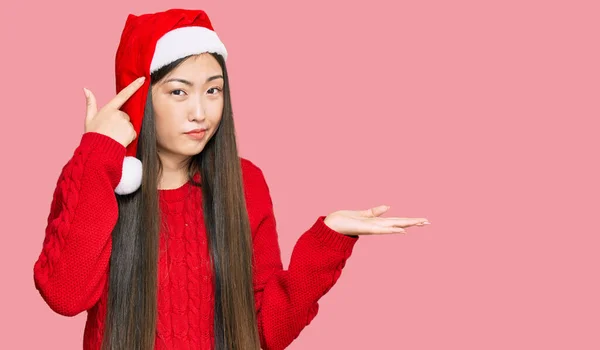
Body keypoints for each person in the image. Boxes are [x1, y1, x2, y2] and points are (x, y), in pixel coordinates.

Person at [33, 8, 430, 350]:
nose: (201, 112)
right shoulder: (97, 178)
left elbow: (267, 329)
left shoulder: (245, 182)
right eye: (178, 92)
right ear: (140, 98)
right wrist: (98, 151)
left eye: (213, 90)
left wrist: (328, 239)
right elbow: (65, 295)